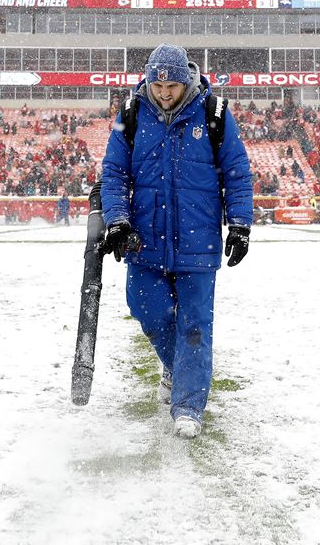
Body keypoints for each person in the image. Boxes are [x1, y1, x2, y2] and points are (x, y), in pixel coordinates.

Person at [101, 44, 253, 439]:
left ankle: (188, 406)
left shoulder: (214, 114)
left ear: (186, 81)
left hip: (198, 240)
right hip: (145, 239)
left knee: (195, 325)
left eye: (172, 85)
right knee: (146, 309)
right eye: (158, 84)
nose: (165, 92)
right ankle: (175, 367)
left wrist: (239, 224)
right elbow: (114, 172)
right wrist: (117, 220)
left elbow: (236, 171)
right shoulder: (131, 115)